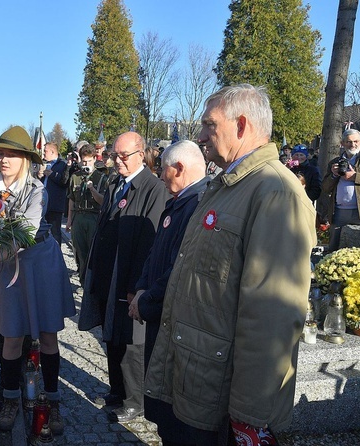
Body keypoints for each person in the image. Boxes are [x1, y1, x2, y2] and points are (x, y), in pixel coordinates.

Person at [145, 84, 316, 445]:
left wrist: (249, 417)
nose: (201, 136)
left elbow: (272, 314)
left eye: (209, 125)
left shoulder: (275, 192)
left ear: (241, 125)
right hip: (195, 380)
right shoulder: (225, 186)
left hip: (222, 401)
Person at [0, 126, 75, 435]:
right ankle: (10, 399)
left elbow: (24, 233)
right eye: (0, 153)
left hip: (40, 262)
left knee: (47, 336)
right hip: (9, 264)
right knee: (12, 335)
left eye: (11, 154)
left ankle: (52, 401)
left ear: (26, 159)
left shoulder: (37, 191)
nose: (4, 159)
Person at [78, 131, 169, 423]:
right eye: (114, 155)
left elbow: (148, 244)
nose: (118, 161)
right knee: (112, 338)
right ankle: (117, 391)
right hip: (108, 276)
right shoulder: (117, 182)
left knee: (132, 345)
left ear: (141, 155)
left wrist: (136, 287)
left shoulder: (154, 188)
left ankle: (135, 401)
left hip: (129, 279)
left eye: (124, 156)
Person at [127, 140, 208, 446]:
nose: (160, 175)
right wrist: (139, 290)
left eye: (162, 169)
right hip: (157, 309)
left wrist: (146, 300)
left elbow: (178, 266)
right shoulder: (178, 201)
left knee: (174, 411)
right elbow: (155, 252)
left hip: (174, 317)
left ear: (179, 168)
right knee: (161, 405)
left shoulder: (197, 205)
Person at [321, 128, 360, 251]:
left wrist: (355, 177)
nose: (352, 145)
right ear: (342, 143)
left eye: (355, 141)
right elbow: (325, 188)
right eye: (348, 142)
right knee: (334, 248)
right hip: (339, 212)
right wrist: (333, 175)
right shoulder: (335, 162)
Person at [65, 143, 108, 279]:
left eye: (89, 161)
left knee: (93, 253)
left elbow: (103, 201)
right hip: (79, 217)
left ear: (95, 159)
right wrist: (69, 220)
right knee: (79, 253)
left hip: (94, 217)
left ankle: (91, 283)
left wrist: (92, 189)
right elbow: (71, 199)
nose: (86, 164)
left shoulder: (101, 177)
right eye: (83, 161)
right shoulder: (75, 177)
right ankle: (83, 280)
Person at [39, 142, 69, 245]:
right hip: (42, 204)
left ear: (52, 152)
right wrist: (39, 175)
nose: (43, 154)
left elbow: (64, 182)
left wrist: (52, 174)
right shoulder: (43, 163)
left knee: (55, 232)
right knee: (41, 231)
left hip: (55, 205)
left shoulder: (63, 165)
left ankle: (56, 256)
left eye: (45, 151)